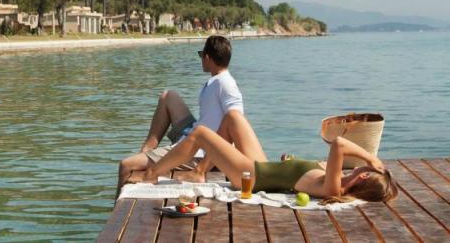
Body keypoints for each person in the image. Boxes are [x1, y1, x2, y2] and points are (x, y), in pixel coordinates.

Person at [138, 110, 398, 204]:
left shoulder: (334, 187)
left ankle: (151, 174)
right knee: (232, 118)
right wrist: (292, 163)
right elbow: (305, 174)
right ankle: (199, 172)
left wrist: (370, 158)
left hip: (251, 176)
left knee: (201, 134)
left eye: (369, 170)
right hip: (264, 166)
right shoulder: (336, 177)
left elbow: (339, 144)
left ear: (364, 176)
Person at [117, 35, 244, 194]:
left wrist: (203, 167)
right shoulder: (218, 80)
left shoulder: (226, 84)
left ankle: (120, 209)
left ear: (207, 57)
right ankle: (146, 151)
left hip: (199, 150)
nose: (201, 59)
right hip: (193, 134)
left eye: (201, 55)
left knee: (126, 166)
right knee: (168, 96)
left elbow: (235, 124)